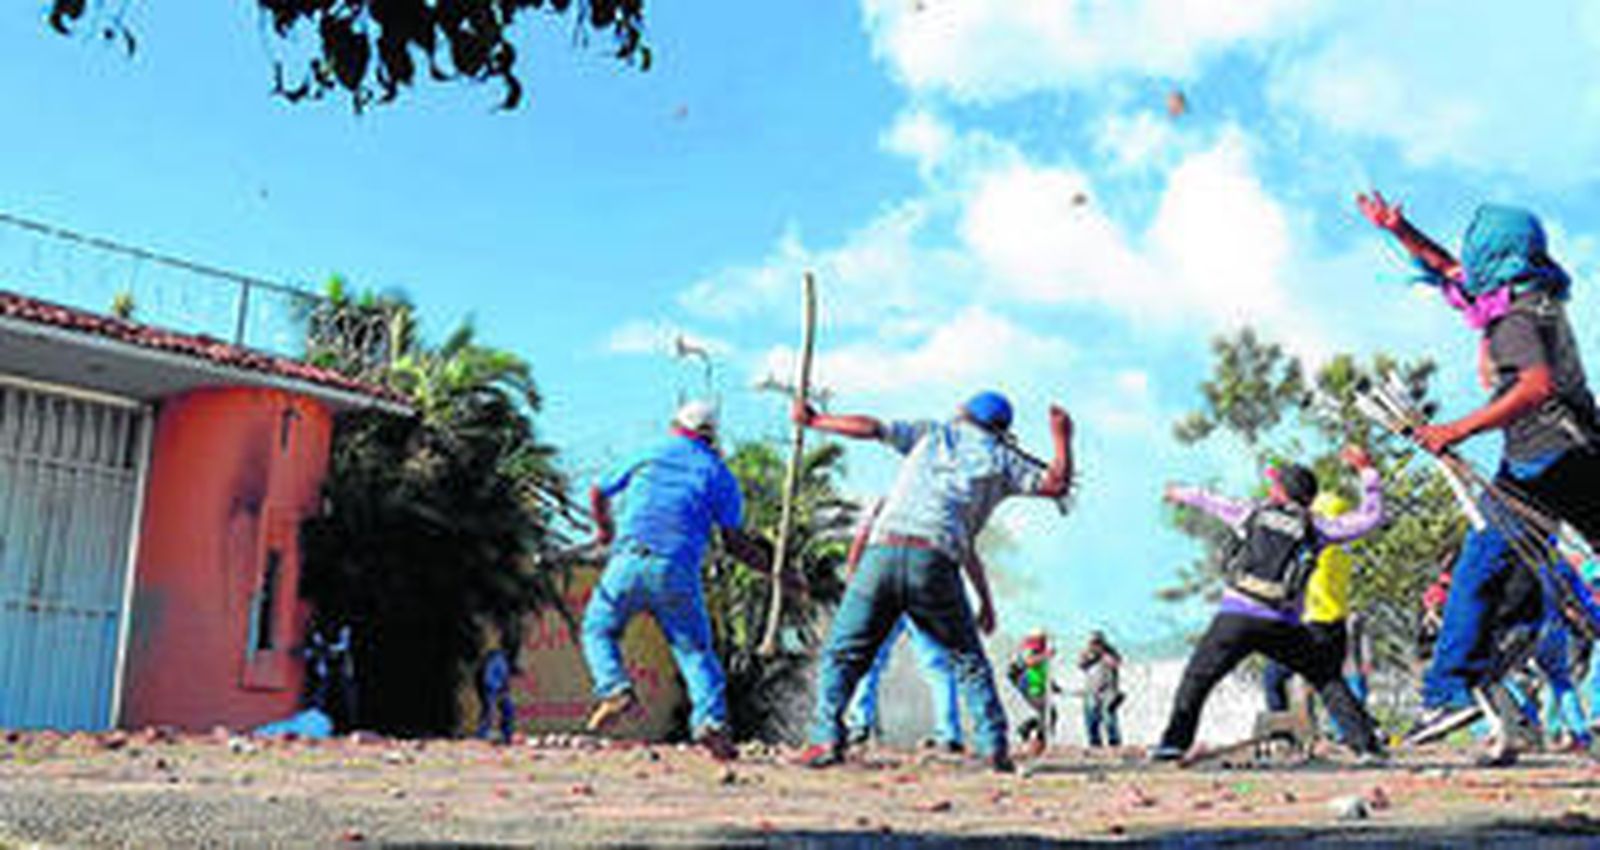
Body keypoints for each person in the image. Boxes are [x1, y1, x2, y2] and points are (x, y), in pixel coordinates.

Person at [1358, 193, 1600, 744]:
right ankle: (1458, 690)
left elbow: (1535, 387)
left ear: (1495, 256)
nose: (1464, 263)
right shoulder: (1533, 297)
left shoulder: (1512, 318)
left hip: (1542, 463)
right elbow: (1447, 267)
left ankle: (1446, 694)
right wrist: (1400, 229)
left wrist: (1455, 430)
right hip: (1583, 453)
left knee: (1478, 566)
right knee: (1494, 563)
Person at [792, 391, 1074, 772]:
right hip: (936, 561)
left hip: (884, 552)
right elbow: (1056, 484)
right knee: (966, 661)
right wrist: (1061, 437)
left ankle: (825, 736)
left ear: (963, 412)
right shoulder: (1005, 460)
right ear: (1003, 430)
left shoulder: (931, 434)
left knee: (843, 653)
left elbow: (872, 428)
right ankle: (993, 747)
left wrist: (816, 421)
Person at [1152, 448, 1386, 761]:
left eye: (1275, 485)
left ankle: (1174, 743)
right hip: (1282, 623)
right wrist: (1368, 472)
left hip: (1236, 616)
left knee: (1198, 677)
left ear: (1281, 492)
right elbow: (1369, 518)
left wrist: (1177, 492)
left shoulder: (1251, 513)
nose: (1270, 489)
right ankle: (1366, 746)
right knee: (1325, 677)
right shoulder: (1316, 527)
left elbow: (1210, 500)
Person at [580, 401, 776, 762]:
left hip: (627, 561)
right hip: (677, 570)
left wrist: (605, 529)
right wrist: (774, 570)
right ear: (712, 437)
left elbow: (598, 490)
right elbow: (734, 543)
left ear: (676, 425)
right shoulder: (719, 474)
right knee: (694, 652)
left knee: (598, 630)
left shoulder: (648, 452)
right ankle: (711, 721)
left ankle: (614, 688)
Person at [843, 499, 999, 753]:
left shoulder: (884, 503)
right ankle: (949, 732)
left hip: (886, 585)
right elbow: (968, 554)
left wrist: (855, 591)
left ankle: (859, 725)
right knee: (936, 663)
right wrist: (984, 601)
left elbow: (859, 543)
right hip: (924, 584)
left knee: (872, 660)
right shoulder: (942, 508)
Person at [1260, 494, 1362, 725]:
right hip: (1336, 624)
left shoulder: (1317, 550)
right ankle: (1365, 732)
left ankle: (1283, 732)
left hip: (1313, 624)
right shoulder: (1342, 552)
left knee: (1273, 678)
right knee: (1332, 686)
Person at [1007, 630, 1062, 754]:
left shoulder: (1041, 654)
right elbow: (1029, 662)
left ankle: (1028, 731)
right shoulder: (1030, 651)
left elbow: (1044, 673)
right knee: (1048, 713)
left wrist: (1054, 686)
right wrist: (1046, 655)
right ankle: (1036, 738)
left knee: (1049, 714)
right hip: (1030, 688)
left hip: (1039, 688)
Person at [1077, 631, 1123, 748]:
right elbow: (1080, 664)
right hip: (1091, 690)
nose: (1095, 646)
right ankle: (1094, 743)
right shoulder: (1087, 654)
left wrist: (1103, 655)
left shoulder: (1110, 653)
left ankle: (1114, 742)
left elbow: (1116, 663)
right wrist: (1090, 656)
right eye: (1093, 643)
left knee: (1109, 718)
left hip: (1108, 691)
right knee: (1092, 719)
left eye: (1098, 643)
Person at [475, 641, 517, 745]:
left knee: (507, 710)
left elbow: (504, 676)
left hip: (499, 688)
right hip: (493, 688)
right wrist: (496, 689)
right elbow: (488, 678)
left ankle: (506, 735)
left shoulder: (502, 661)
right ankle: (482, 734)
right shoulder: (496, 660)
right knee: (490, 711)